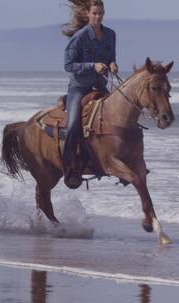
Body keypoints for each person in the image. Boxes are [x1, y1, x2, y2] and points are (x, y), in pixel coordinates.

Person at [62, 0, 118, 189]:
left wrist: (112, 65)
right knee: (72, 125)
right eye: (94, 13)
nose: (98, 17)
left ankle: (119, 160)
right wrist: (92, 66)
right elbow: (68, 66)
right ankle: (69, 168)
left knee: (120, 118)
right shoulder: (79, 37)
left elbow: (111, 57)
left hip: (100, 87)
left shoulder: (111, 34)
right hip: (79, 88)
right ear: (87, 14)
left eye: (101, 13)